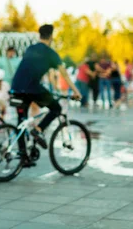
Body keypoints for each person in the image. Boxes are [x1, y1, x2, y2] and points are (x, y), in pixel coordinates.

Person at [11, 24, 82, 153]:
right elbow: (64, 74)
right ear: (51, 36)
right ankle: (38, 130)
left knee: (21, 121)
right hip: (31, 87)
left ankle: (23, 155)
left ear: (40, 35)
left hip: (16, 86)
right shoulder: (51, 53)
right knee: (57, 108)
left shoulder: (30, 48)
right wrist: (76, 91)